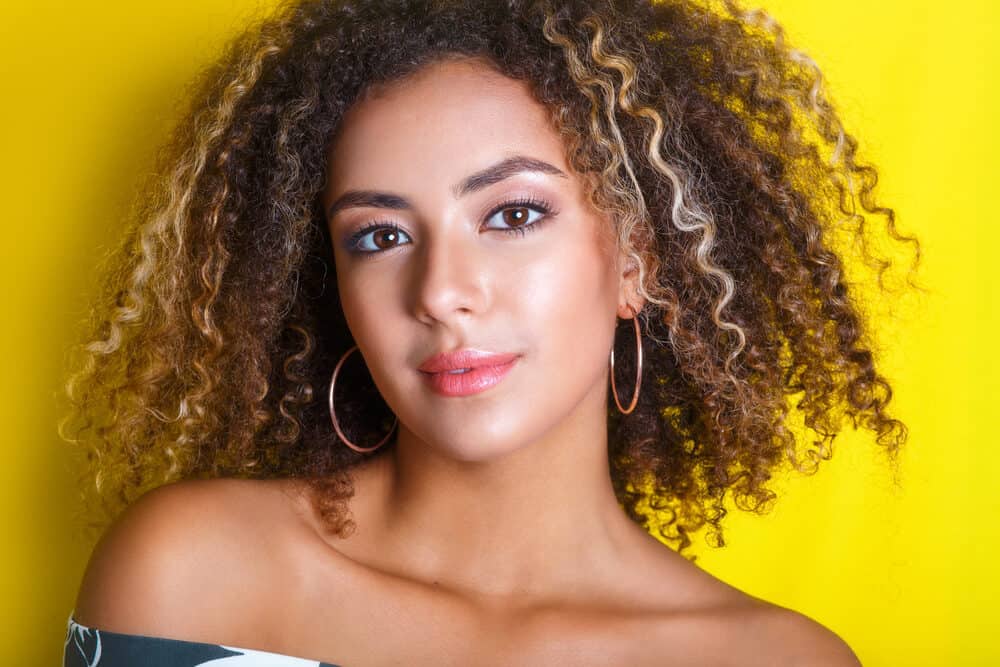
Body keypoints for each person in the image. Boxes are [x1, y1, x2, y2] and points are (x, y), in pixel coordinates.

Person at [61, 0, 919, 664]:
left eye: (512, 213)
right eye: (379, 236)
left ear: (638, 262)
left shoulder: (772, 659)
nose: (440, 291)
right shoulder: (191, 578)